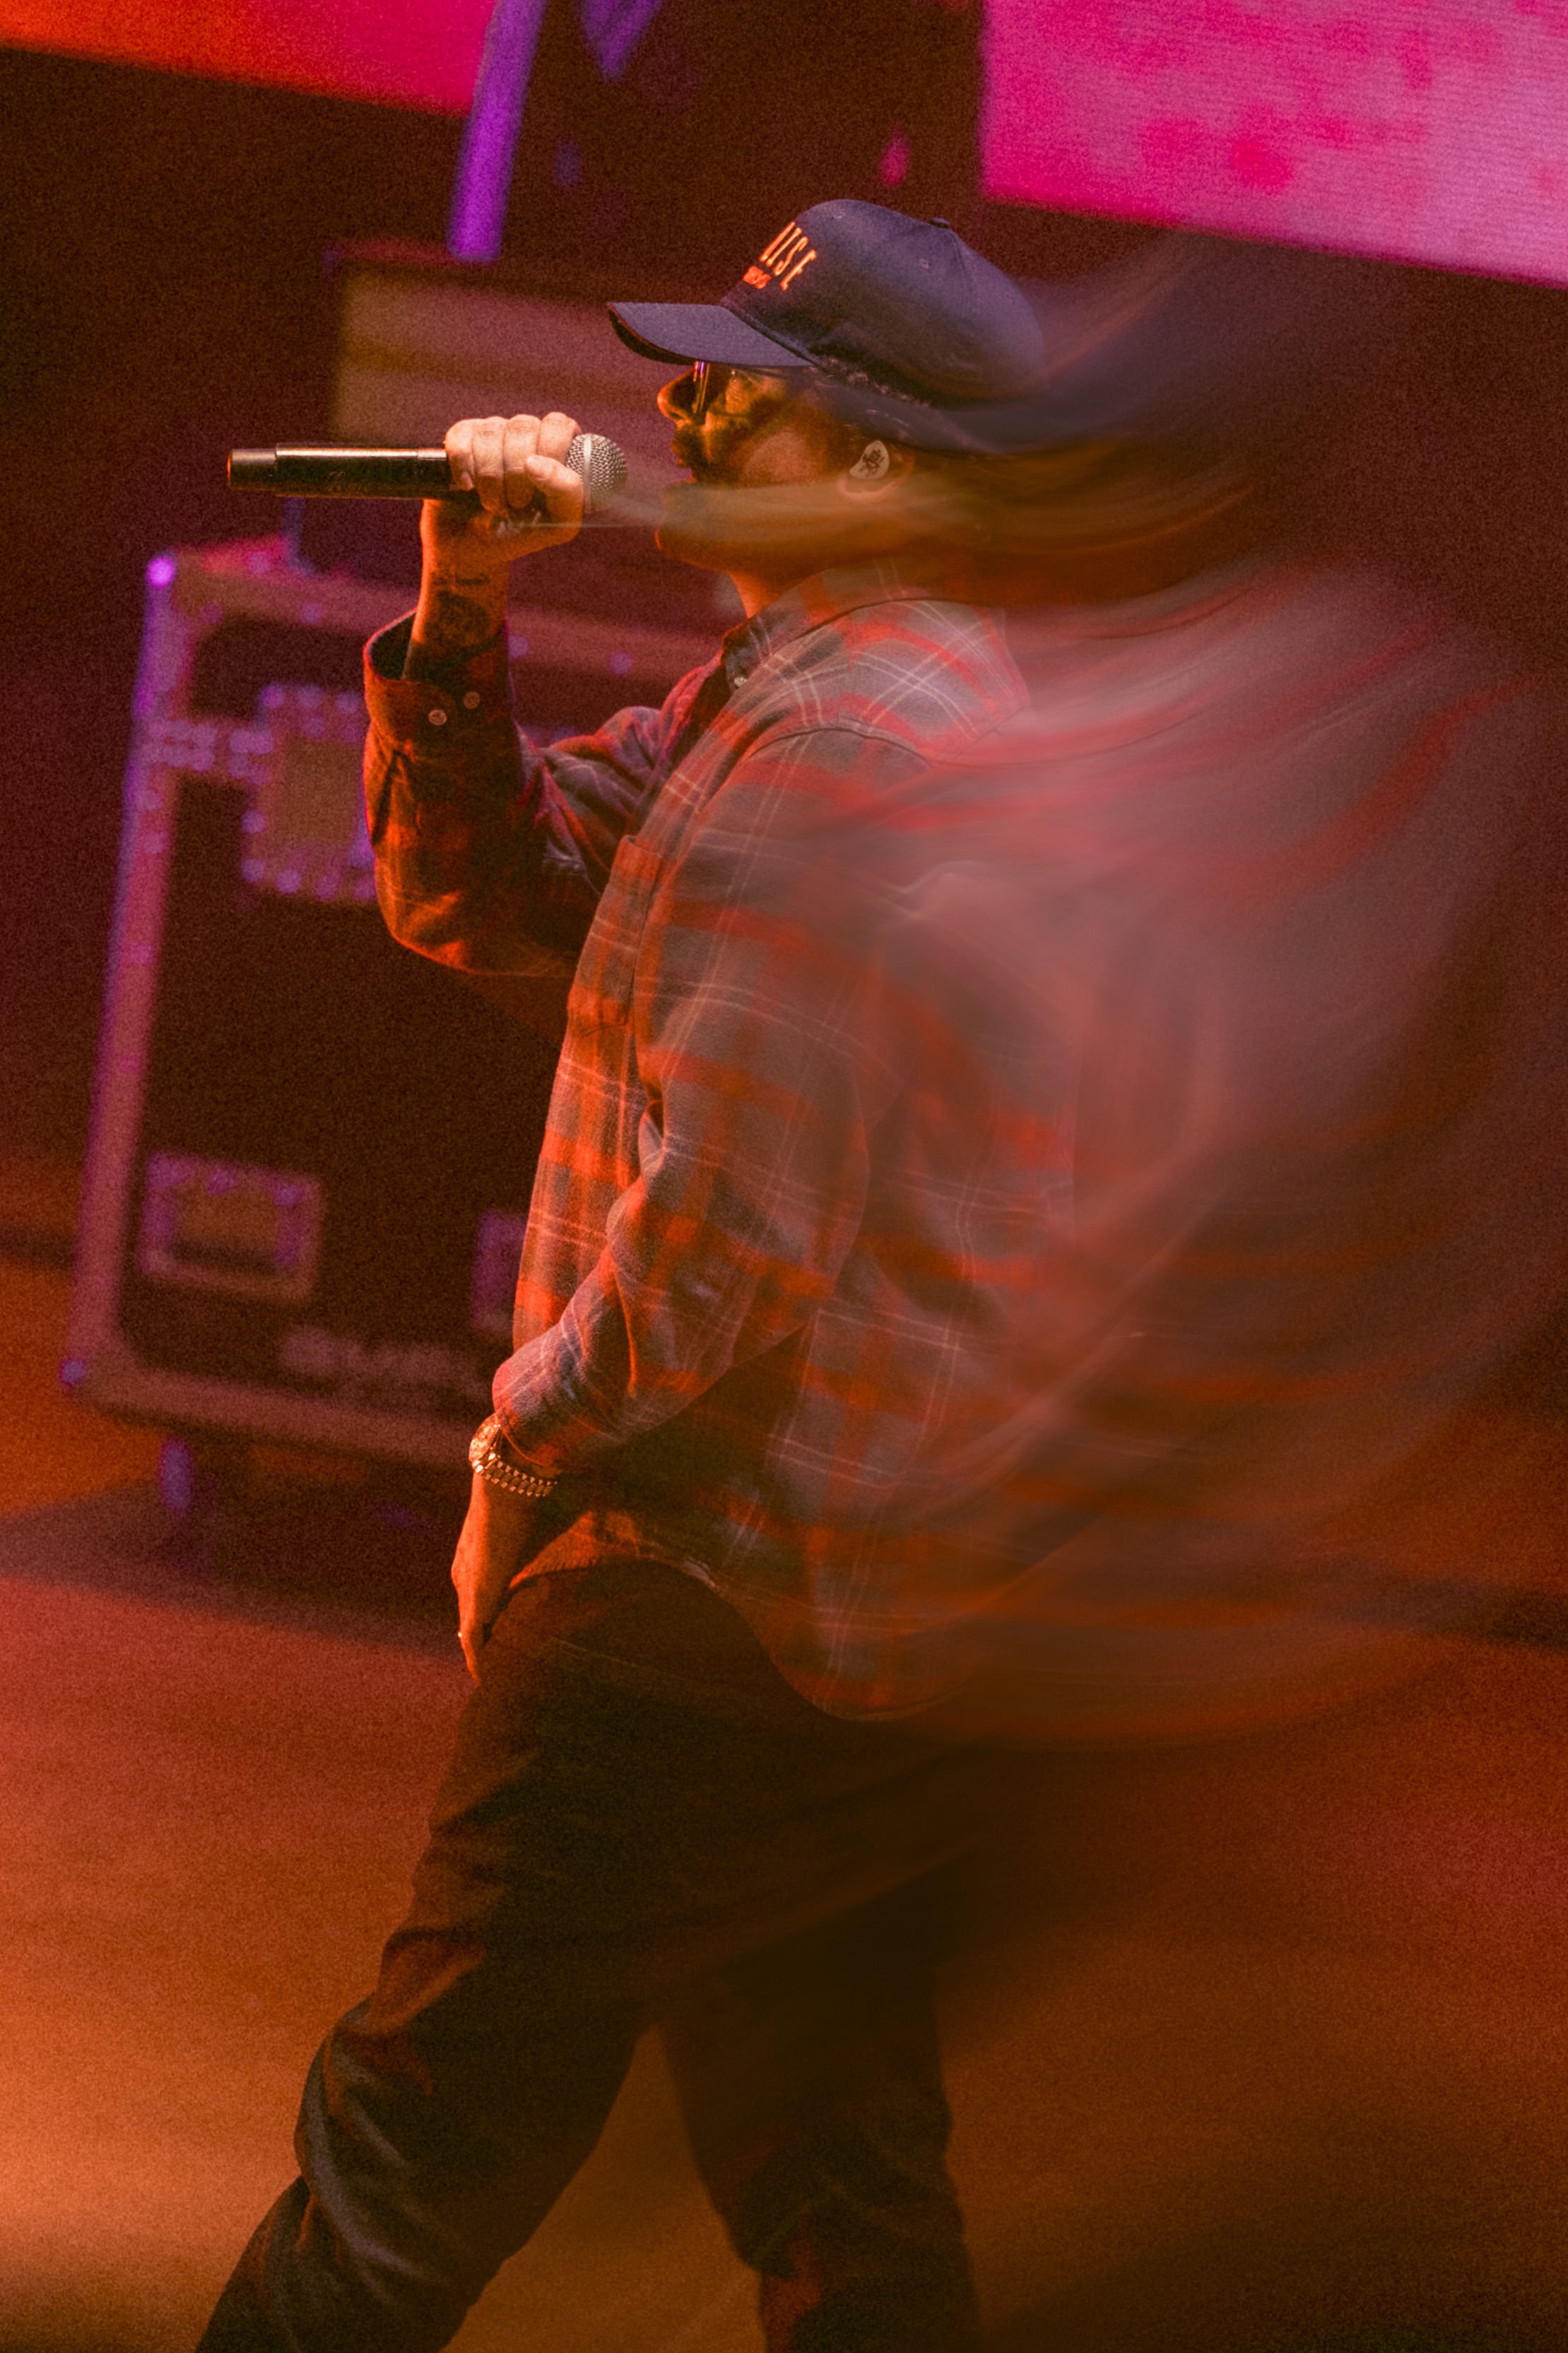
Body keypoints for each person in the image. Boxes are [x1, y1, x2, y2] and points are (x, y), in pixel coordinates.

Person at [197, 199, 1059, 2353]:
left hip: (696, 1581)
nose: (675, 411)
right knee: (841, 2191)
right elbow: (481, 895)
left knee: (407, 2158)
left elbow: (734, 1228)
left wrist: (522, 1454)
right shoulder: (798, 695)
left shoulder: (855, 755)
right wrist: (464, 598)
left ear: (880, 464)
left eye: (742, 396)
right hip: (835, 1610)